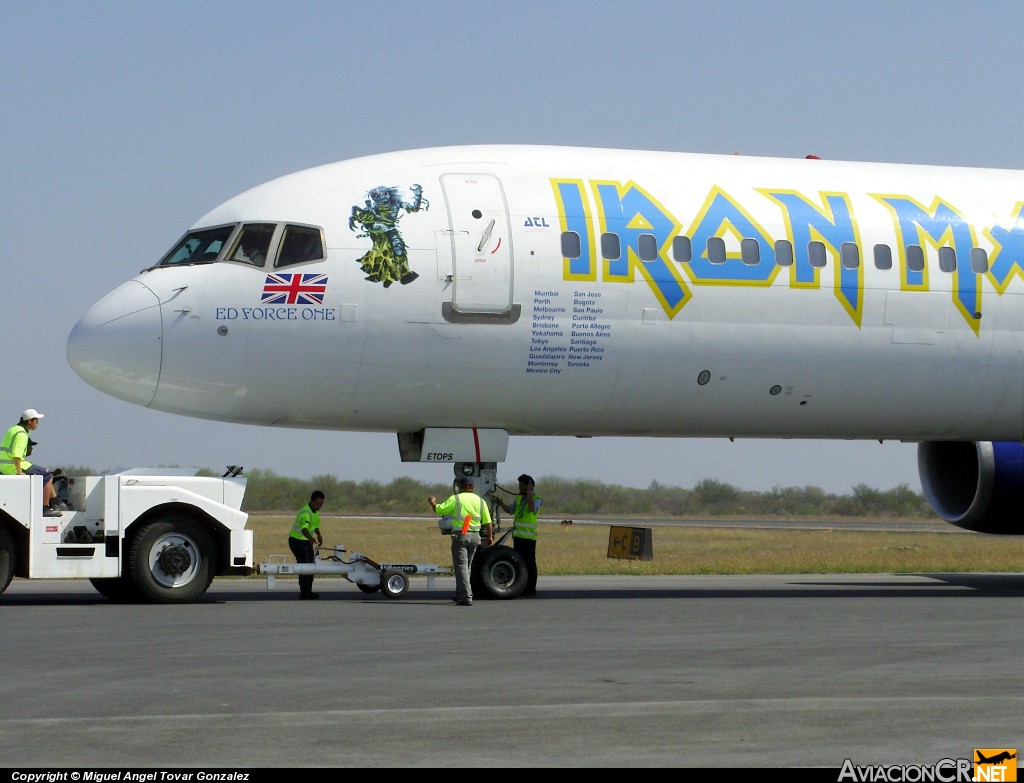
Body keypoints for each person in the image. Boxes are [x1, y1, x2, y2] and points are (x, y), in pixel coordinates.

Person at [429, 476, 492, 606]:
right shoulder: (481, 501)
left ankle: (466, 596)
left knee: (461, 567)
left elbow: (439, 509)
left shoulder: (456, 499)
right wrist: (490, 537)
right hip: (475, 537)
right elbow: (488, 522)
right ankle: (459, 593)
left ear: (461, 487)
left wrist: (432, 501)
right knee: (467, 567)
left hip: (461, 535)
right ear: (473, 487)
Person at [0, 409, 63, 517]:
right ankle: (45, 508)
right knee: (47, 475)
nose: (37, 423)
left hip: (3, 466)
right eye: (36, 420)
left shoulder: (13, 429)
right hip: (13, 466)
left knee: (45, 474)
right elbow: (17, 455)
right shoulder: (22, 434)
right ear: (29, 421)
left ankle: (56, 501)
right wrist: (19, 472)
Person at [497, 474, 542, 597]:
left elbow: (533, 508)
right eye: (519, 485)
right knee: (519, 563)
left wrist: (528, 494)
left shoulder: (537, 498)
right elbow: (510, 510)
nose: (519, 488)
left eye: (521, 486)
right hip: (518, 537)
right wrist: (501, 504)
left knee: (530, 563)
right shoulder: (518, 499)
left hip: (529, 538)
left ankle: (531, 588)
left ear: (529, 486)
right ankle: (522, 586)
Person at [288, 490, 324, 599]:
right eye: (317, 503)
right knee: (305, 566)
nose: (319, 506)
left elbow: (315, 526)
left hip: (305, 542)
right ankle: (304, 592)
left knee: (311, 566)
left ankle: (308, 591)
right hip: (297, 541)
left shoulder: (315, 512)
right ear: (311, 501)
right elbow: (304, 529)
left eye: (321, 504)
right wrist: (311, 539)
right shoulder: (306, 513)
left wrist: (319, 535)